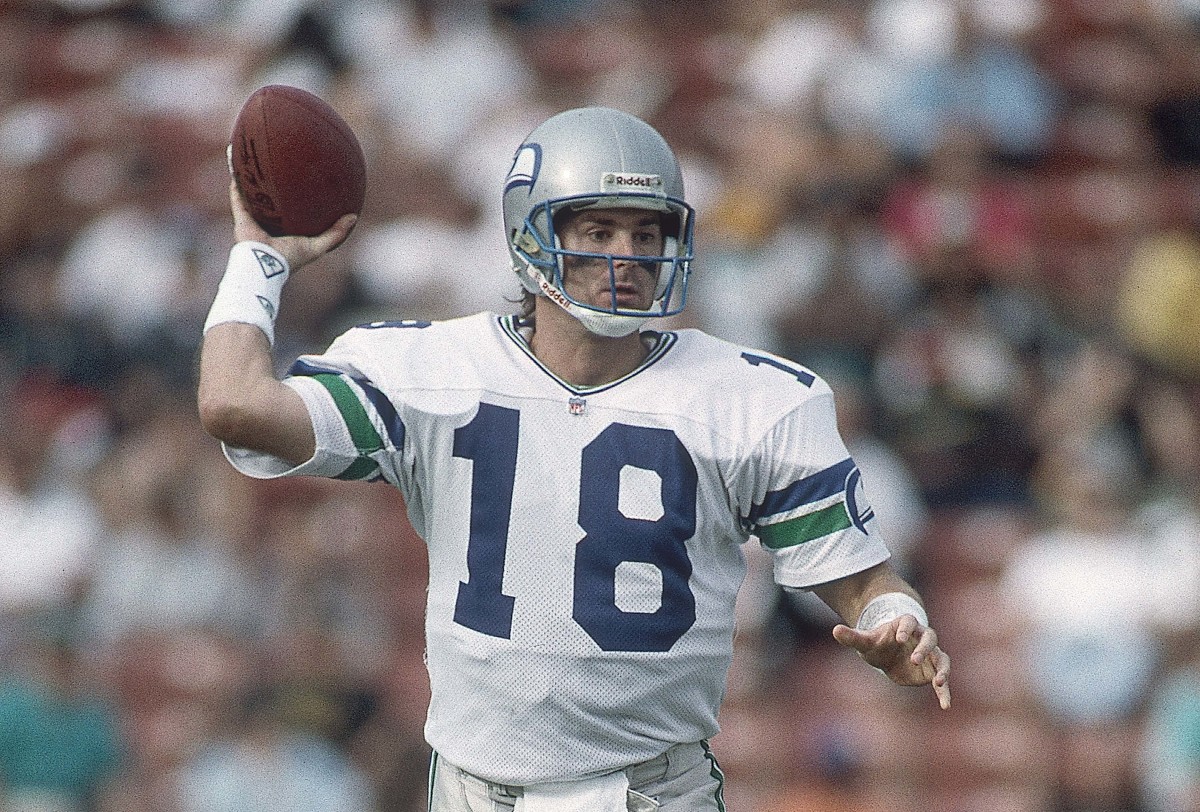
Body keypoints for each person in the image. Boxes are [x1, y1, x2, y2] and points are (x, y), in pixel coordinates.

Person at [197, 105, 951, 811]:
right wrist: (259, 261)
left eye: (645, 233)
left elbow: (865, 586)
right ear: (530, 235)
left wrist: (897, 619)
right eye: (597, 230)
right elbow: (236, 404)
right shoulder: (436, 369)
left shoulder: (754, 401)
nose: (625, 255)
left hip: (649, 792)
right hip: (471, 788)